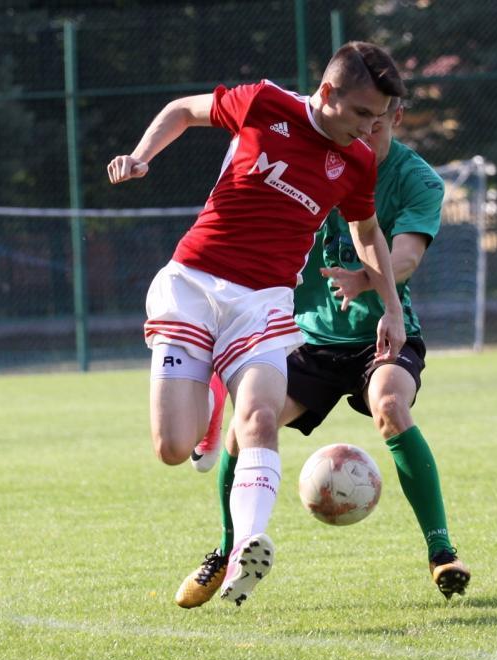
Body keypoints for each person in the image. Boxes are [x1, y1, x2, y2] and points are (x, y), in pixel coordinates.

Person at [107, 42, 408, 607]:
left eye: (380, 117)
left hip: (264, 302)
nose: (371, 128)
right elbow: (181, 110)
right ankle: (208, 405)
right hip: (194, 283)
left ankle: (247, 544)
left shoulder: (358, 161)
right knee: (172, 448)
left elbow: (368, 232)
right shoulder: (265, 104)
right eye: (363, 113)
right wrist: (142, 157)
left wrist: (391, 307)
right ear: (328, 93)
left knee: (261, 417)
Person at [175, 97, 471, 609]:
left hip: (381, 334)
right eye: (356, 121)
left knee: (390, 405)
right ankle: (228, 549)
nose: (362, 134)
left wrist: (366, 280)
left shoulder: (418, 179)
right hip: (307, 339)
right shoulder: (316, 158)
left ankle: (441, 552)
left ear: (395, 117)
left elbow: (406, 254)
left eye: (374, 124)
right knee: (245, 428)